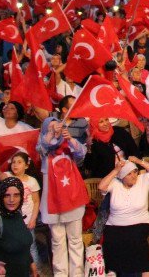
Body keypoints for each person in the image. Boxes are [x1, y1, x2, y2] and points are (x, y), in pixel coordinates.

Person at [37, 116, 88, 277]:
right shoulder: (44, 148)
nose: (56, 129)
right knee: (57, 241)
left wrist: (71, 139)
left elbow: (81, 154)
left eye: (57, 126)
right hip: (53, 201)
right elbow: (41, 148)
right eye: (51, 127)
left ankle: (77, 274)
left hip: (72, 197)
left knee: (75, 240)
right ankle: (60, 274)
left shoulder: (68, 143)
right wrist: (52, 133)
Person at [99, 154, 149, 277]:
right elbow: (101, 186)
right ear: (122, 177)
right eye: (129, 174)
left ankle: (144, 272)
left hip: (140, 221)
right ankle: (112, 271)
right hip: (115, 223)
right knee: (112, 239)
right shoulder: (115, 183)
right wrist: (116, 170)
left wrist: (138, 161)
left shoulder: (143, 179)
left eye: (135, 172)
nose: (134, 176)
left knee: (136, 239)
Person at [0, 176, 35, 277]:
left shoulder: (17, 213)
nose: (12, 200)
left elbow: (23, 242)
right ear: (1, 196)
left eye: (16, 195)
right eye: (7, 195)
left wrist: (31, 263)